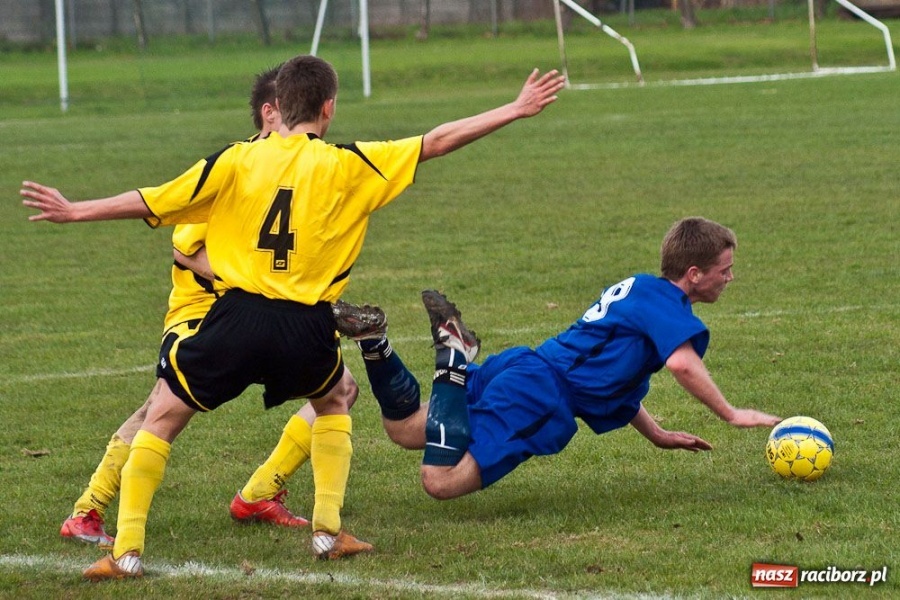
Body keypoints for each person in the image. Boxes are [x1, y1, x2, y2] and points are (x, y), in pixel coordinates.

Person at [21, 54, 566, 580]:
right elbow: (437, 141)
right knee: (333, 401)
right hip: (307, 325)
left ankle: (126, 554)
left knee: (160, 415)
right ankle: (327, 533)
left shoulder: (237, 159)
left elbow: (155, 199)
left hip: (236, 316)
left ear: (277, 105)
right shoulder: (348, 164)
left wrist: (76, 210)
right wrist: (514, 108)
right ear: (328, 108)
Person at [58, 65, 316, 551]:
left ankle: (260, 492)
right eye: (293, 111)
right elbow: (185, 249)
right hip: (201, 315)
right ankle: (88, 509)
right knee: (159, 408)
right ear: (270, 113)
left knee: (337, 388)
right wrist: (261, 284)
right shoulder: (235, 166)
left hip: (256, 315)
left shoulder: (293, 167)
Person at [368, 217, 782, 500]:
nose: (730, 278)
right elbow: (682, 363)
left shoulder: (641, 288)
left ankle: (374, 343)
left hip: (524, 367)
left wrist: (656, 434)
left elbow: (612, 383)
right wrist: (731, 414)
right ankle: (453, 362)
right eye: (725, 270)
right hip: (540, 396)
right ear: (693, 274)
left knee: (404, 429)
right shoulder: (666, 304)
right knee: (440, 481)